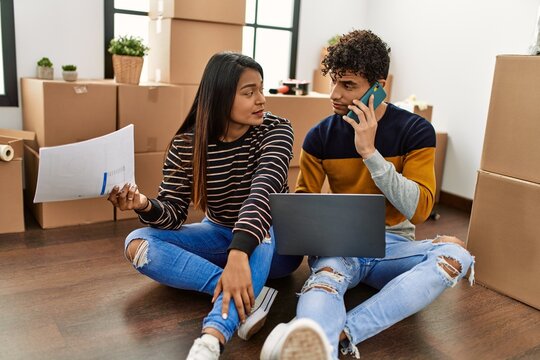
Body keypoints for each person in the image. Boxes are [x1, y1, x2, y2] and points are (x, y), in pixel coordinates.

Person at [260, 30, 475, 360]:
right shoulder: (319, 137)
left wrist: (370, 154)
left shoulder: (416, 132)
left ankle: (345, 332)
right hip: (341, 245)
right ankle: (324, 349)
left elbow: (419, 211)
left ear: (379, 86)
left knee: (456, 256)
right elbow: (303, 205)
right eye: (334, 81)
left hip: (395, 247)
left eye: (348, 86)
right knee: (325, 278)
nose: (334, 94)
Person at [108, 52, 303, 360]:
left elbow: (263, 193)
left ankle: (211, 339)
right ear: (220, 96)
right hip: (219, 232)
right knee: (137, 243)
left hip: (273, 240)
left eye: (261, 89)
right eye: (249, 92)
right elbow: (173, 214)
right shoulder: (188, 143)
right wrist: (143, 203)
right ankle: (247, 294)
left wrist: (239, 254)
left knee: (261, 231)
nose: (261, 100)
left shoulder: (276, 130)